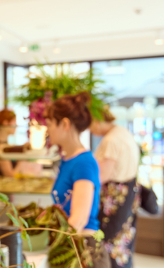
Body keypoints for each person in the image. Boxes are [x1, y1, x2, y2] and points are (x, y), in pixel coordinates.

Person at [45, 92, 110, 267]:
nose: (48, 130)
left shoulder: (84, 163)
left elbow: (78, 220)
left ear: (64, 124)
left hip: (85, 250)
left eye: (50, 124)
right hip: (75, 247)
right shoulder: (68, 159)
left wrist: (53, 249)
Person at [90, 108, 140, 268]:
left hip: (115, 198)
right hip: (127, 195)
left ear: (96, 121)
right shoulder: (122, 132)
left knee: (110, 242)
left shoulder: (111, 140)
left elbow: (103, 175)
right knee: (122, 244)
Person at [0, 109, 41, 177]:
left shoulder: (4, 145)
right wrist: (22, 158)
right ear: (5, 123)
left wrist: (21, 148)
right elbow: (10, 175)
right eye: (14, 121)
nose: (16, 125)